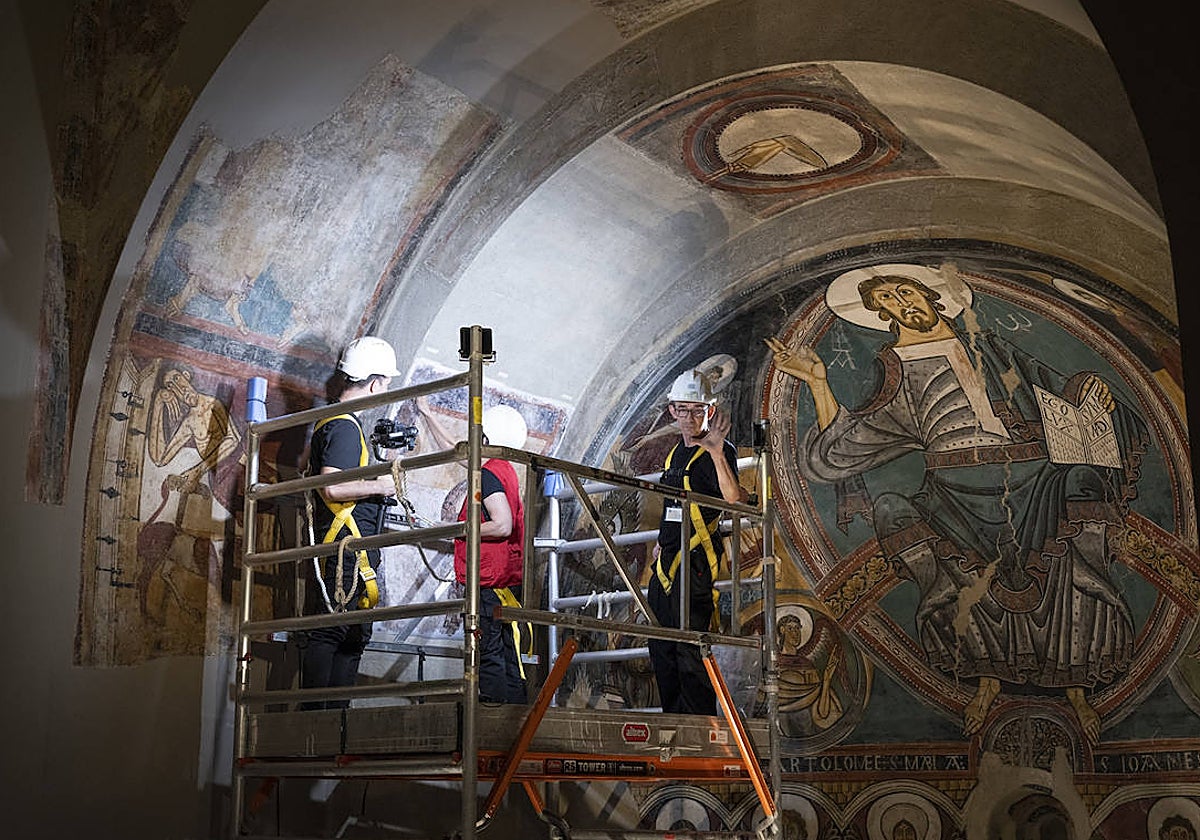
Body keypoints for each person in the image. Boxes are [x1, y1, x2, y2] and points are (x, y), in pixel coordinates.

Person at [768, 271, 1149, 743]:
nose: (902, 302)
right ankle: (986, 679)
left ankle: (1076, 688)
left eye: (906, 291)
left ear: (931, 296)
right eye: (888, 298)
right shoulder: (894, 368)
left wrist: (1091, 390)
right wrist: (818, 383)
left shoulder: (985, 345)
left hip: (1031, 479)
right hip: (954, 491)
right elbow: (849, 446)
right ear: (881, 313)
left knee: (1076, 511)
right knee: (909, 525)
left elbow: (1049, 387)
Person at [300, 336, 403, 709]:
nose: (384, 391)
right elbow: (332, 486)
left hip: (349, 546)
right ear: (374, 383)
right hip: (345, 546)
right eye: (385, 383)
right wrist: (380, 485)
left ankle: (332, 725)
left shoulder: (337, 422)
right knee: (333, 631)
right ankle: (315, 724)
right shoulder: (344, 426)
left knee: (351, 635)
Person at [647, 368, 747, 715]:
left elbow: (733, 499)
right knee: (662, 644)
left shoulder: (719, 451)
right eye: (683, 410)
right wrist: (660, 542)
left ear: (710, 410)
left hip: (696, 560)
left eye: (697, 410)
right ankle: (672, 721)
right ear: (672, 410)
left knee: (690, 644)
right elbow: (671, 506)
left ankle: (698, 726)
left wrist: (717, 453)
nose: (689, 418)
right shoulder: (674, 454)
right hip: (666, 561)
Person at [453, 404, 529, 704]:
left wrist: (461, 529)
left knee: (488, 656)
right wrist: (430, 416)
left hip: (487, 582)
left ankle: (492, 721)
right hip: (503, 582)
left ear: (486, 439)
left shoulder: (487, 476)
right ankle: (513, 718)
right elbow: (461, 456)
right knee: (508, 656)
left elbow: (502, 524)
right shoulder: (504, 470)